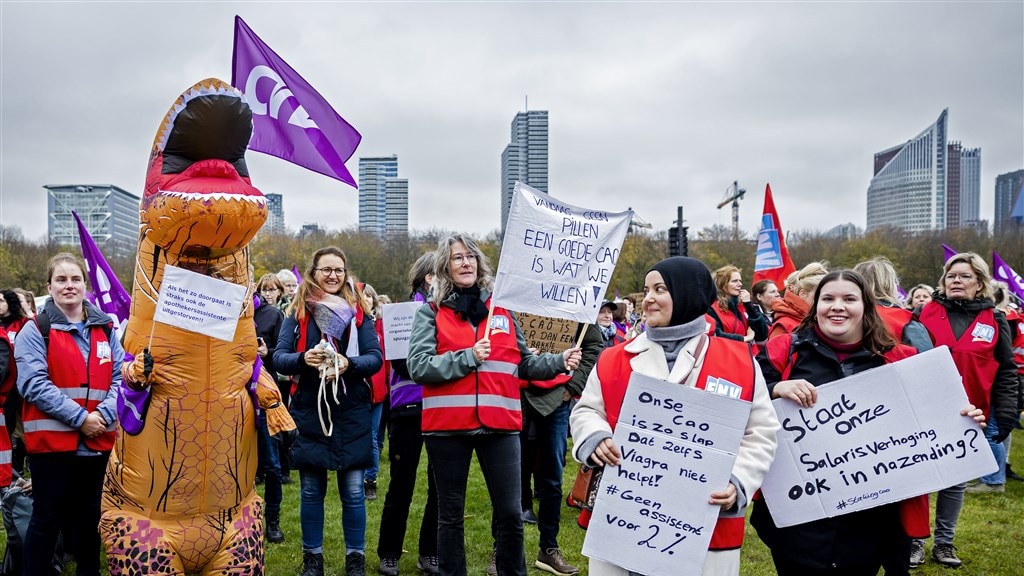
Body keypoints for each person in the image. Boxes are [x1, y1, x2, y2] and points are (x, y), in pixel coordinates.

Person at [753, 269, 982, 576]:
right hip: (800, 522)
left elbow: (934, 422)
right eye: (828, 298)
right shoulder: (781, 351)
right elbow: (739, 399)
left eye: (849, 298)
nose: (837, 306)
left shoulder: (900, 360)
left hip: (872, 521)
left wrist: (961, 422)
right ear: (815, 305)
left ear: (866, 307)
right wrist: (773, 389)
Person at [571, 256, 779, 576]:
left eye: (660, 289)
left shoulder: (738, 360)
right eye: (646, 289)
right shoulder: (613, 358)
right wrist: (594, 437)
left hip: (703, 517)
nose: (648, 298)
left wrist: (738, 482)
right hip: (627, 512)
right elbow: (587, 410)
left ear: (688, 294)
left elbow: (761, 432)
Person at [407, 234, 581, 576]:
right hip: (447, 428)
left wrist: (559, 361)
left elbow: (525, 364)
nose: (466, 263)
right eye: (457, 258)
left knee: (511, 514)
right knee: (450, 516)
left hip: (500, 425)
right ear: (445, 266)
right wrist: (467, 358)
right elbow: (418, 366)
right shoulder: (430, 313)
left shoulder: (502, 311)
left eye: (471, 256)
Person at [274, 247, 383, 576]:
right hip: (310, 410)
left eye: (338, 269)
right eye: (326, 270)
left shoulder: (359, 311)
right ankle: (313, 559)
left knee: (352, 490)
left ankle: (355, 559)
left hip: (351, 413)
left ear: (345, 272)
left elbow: (374, 358)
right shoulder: (298, 312)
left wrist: (348, 364)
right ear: (313, 272)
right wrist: (302, 358)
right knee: (311, 490)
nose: (333, 275)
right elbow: (278, 357)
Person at [14, 253, 122, 576]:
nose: (69, 286)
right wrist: (82, 420)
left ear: (85, 285)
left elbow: (120, 379)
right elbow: (33, 384)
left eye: (75, 279)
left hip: (97, 447)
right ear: (49, 286)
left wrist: (101, 416)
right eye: (61, 280)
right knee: (47, 521)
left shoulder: (106, 329)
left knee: (91, 523)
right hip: (52, 449)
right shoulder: (36, 331)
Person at [911, 253, 1019, 568]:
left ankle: (944, 544)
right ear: (943, 281)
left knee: (954, 481)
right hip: (922, 410)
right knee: (919, 479)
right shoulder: (921, 314)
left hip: (970, 414)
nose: (957, 281)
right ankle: (914, 542)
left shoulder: (994, 319)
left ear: (980, 283)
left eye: (965, 276)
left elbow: (1006, 371)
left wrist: (1008, 412)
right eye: (952, 276)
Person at [519, 321, 603, 576]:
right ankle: (502, 548)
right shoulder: (517, 299)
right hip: (517, 396)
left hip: (556, 399)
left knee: (552, 478)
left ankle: (548, 549)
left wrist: (572, 387)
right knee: (509, 476)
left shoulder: (577, 309)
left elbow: (594, 347)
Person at [378, 252, 440, 576]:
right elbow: (404, 364)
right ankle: (389, 552)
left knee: (439, 485)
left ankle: (429, 552)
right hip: (409, 406)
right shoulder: (403, 313)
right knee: (402, 483)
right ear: (429, 278)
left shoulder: (451, 313)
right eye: (444, 272)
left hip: (443, 407)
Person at [254, 276, 286, 544]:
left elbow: (284, 356)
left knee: (272, 465)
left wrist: (268, 352)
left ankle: (272, 519)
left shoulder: (272, 315)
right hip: (232, 399)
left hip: (264, 398)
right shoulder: (224, 311)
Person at [257, 272, 294, 483]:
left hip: (276, 376)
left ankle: (281, 468)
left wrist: (267, 352)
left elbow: (282, 349)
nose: (268, 294)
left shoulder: (277, 315)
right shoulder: (255, 313)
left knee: (276, 424)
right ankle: (260, 469)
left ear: (279, 292)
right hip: (257, 376)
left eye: (272, 290)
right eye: (265, 289)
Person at [853, 256, 932, 352]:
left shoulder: (844, 317)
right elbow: (928, 361)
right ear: (890, 284)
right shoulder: (904, 320)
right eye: (896, 280)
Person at [359, 282, 388, 501]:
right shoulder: (352, 324)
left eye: (369, 296)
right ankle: (354, 477)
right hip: (355, 389)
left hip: (377, 391)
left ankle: (370, 480)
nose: (366, 299)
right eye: (362, 296)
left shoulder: (382, 326)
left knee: (372, 437)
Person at [768, 261, 829, 340]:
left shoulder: (824, 320)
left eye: (829, 297)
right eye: (819, 294)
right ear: (803, 294)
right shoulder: (783, 327)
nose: (826, 301)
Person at [708, 265, 768, 343]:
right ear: (721, 284)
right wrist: (745, 338)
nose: (740, 284)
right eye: (734, 281)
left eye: (740, 281)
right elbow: (716, 334)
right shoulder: (711, 308)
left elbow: (762, 335)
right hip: (727, 353)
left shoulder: (743, 305)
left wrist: (748, 305)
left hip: (747, 353)